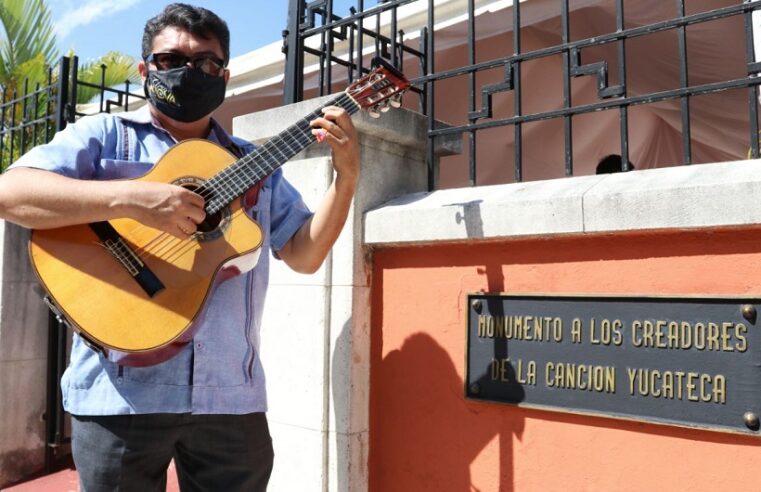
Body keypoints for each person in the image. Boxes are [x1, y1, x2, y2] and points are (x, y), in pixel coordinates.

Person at [0, 3, 359, 491]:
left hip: (232, 401)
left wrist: (347, 177)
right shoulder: (107, 138)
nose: (190, 71)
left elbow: (305, 253)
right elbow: (11, 194)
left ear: (224, 76)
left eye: (206, 63)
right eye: (171, 60)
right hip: (118, 397)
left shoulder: (255, 165)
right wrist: (132, 199)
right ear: (147, 69)